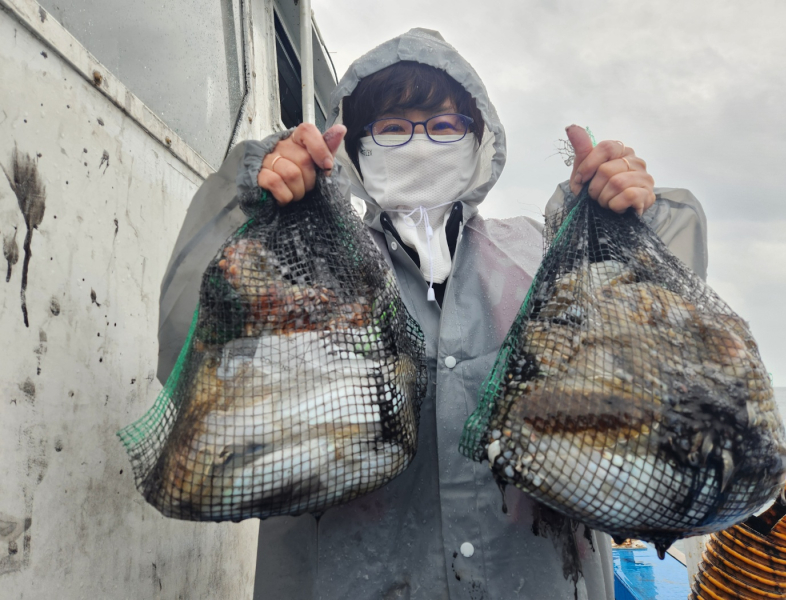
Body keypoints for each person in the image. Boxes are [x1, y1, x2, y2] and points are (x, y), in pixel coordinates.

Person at [158, 28, 707, 600]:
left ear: (479, 143)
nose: (420, 143)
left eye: (445, 127)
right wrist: (253, 203)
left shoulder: (540, 258)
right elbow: (189, 354)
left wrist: (626, 220)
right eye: (392, 127)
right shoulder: (302, 270)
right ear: (355, 149)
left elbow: (657, 372)